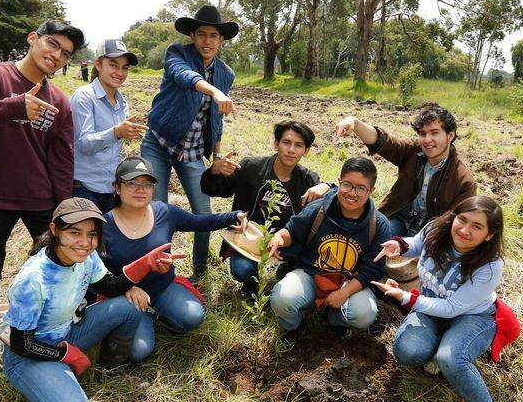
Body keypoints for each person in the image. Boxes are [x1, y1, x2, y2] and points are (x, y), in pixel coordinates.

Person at [0, 19, 85, 376]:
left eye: (66, 54)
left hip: (38, 197)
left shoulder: (59, 101)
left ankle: (51, 330)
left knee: (59, 263)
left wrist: (63, 212)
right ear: (33, 39)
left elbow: (62, 161)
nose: (57, 56)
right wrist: (13, 106)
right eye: (53, 45)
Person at [1, 197, 179, 402]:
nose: (85, 242)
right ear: (55, 230)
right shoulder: (34, 279)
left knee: (129, 306)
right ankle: (36, 395)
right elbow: (20, 343)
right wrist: (65, 354)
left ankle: (110, 368)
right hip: (28, 352)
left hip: (69, 329)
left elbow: (110, 287)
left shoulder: (86, 256)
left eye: (92, 234)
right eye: (75, 233)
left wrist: (143, 266)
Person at [371, 196, 513, 402]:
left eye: (477, 226)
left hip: (472, 316)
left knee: (452, 358)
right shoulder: (437, 228)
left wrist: (406, 298)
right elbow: (416, 243)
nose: (464, 230)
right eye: (462, 220)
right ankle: (441, 342)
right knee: (407, 351)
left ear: (489, 234)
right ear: (454, 216)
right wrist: (399, 245)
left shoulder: (490, 265)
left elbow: (452, 308)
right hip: (431, 306)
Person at [101, 156, 248, 362]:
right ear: (117, 187)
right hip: (128, 297)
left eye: (147, 184)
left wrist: (234, 216)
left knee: (193, 316)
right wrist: (125, 288)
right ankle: (144, 316)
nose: (140, 189)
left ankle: (157, 311)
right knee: (138, 352)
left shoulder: (164, 212)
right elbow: (93, 271)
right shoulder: (103, 226)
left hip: (163, 287)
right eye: (132, 183)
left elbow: (199, 222)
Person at [140, 4, 239, 285]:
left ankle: (199, 270)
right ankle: (159, 271)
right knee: (157, 211)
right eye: (202, 34)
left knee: (203, 213)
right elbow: (185, 77)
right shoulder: (177, 54)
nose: (207, 41)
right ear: (193, 36)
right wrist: (213, 90)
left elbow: (216, 118)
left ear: (221, 40)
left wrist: (216, 156)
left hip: (193, 152)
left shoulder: (226, 74)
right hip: (159, 143)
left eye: (213, 36)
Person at [200, 121, 331, 297]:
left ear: (306, 151)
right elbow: (214, 189)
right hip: (250, 238)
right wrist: (214, 171)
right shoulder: (251, 168)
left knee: (304, 263)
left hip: (286, 242)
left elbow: (338, 201)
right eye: (286, 142)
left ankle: (287, 267)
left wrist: (327, 187)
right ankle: (251, 285)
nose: (291, 150)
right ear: (276, 144)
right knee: (242, 269)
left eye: (298, 145)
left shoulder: (308, 180)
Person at [267, 157, 391, 343]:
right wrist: (279, 237)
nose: (352, 193)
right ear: (339, 182)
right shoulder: (319, 209)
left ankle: (335, 320)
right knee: (281, 298)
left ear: (371, 191)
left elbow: (372, 269)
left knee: (365, 314)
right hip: (311, 273)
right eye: (347, 185)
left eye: (361, 188)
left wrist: (344, 293)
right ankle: (294, 327)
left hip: (349, 281)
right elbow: (292, 231)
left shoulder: (379, 224)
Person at [335, 103, 476, 237]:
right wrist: (354, 122)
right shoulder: (412, 152)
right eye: (422, 133)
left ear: (450, 136)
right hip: (399, 218)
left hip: (433, 232)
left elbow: (458, 222)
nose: (427, 140)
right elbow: (382, 142)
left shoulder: (464, 180)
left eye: (434, 133)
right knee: (371, 238)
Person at [70, 39, 146, 213]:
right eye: (113, 65)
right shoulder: (84, 97)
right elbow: (84, 143)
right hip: (84, 187)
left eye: (125, 67)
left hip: (110, 187)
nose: (120, 73)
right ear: (98, 64)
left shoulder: (121, 101)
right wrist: (117, 132)